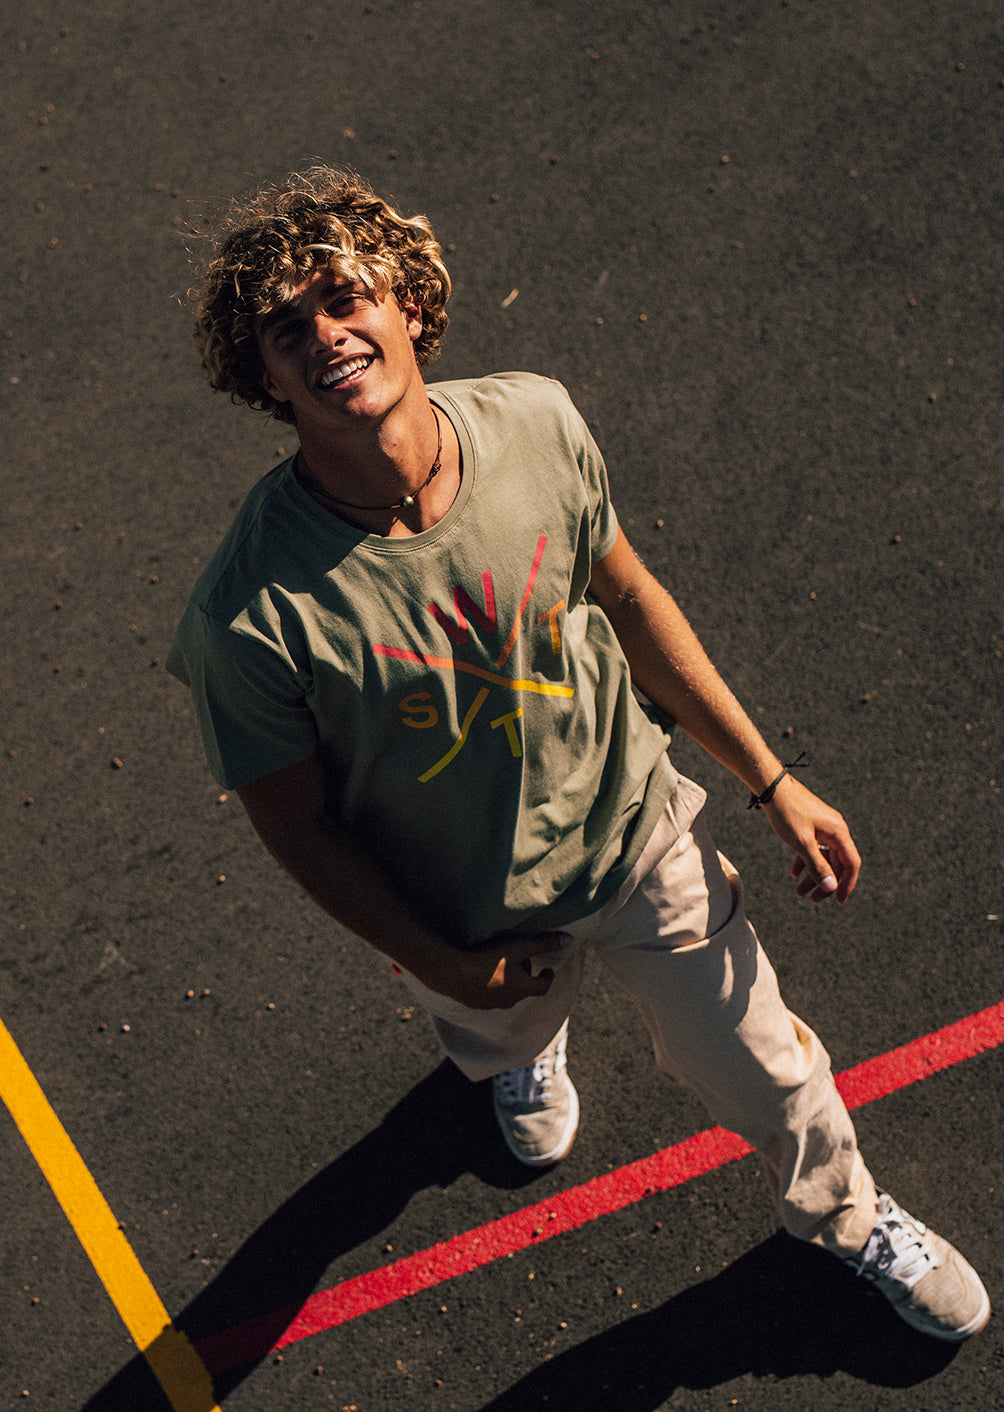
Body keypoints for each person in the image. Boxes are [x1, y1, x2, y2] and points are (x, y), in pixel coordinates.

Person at [167, 166, 989, 1341]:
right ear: (264, 377)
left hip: (636, 836)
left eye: (345, 299)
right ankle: (518, 1049)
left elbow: (630, 597)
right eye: (286, 329)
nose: (326, 336)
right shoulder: (246, 612)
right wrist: (433, 958)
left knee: (768, 1066)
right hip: (463, 915)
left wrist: (768, 779)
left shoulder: (536, 424)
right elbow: (293, 823)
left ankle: (845, 1216)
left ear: (407, 303)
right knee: (496, 1026)